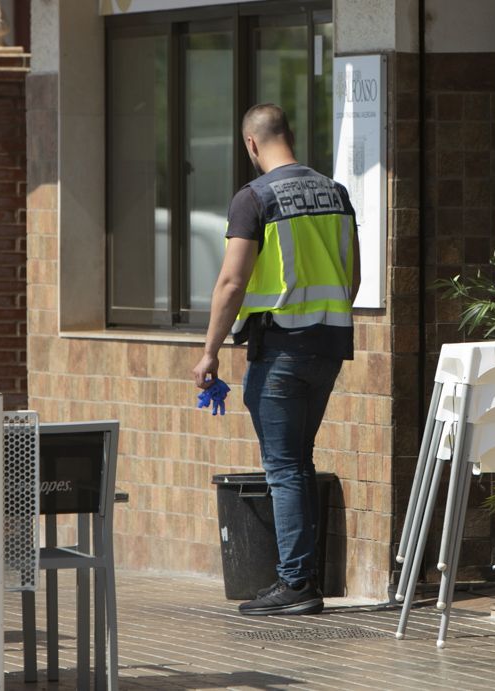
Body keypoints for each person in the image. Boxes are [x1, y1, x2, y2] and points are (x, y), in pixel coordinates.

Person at [193, 103, 360, 616]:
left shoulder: (254, 198)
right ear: (290, 135)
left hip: (282, 348)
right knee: (299, 461)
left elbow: (232, 281)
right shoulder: (335, 192)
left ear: (250, 144)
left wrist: (209, 352)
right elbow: (352, 277)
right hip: (329, 345)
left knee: (284, 467)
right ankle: (302, 578)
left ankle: (296, 583)